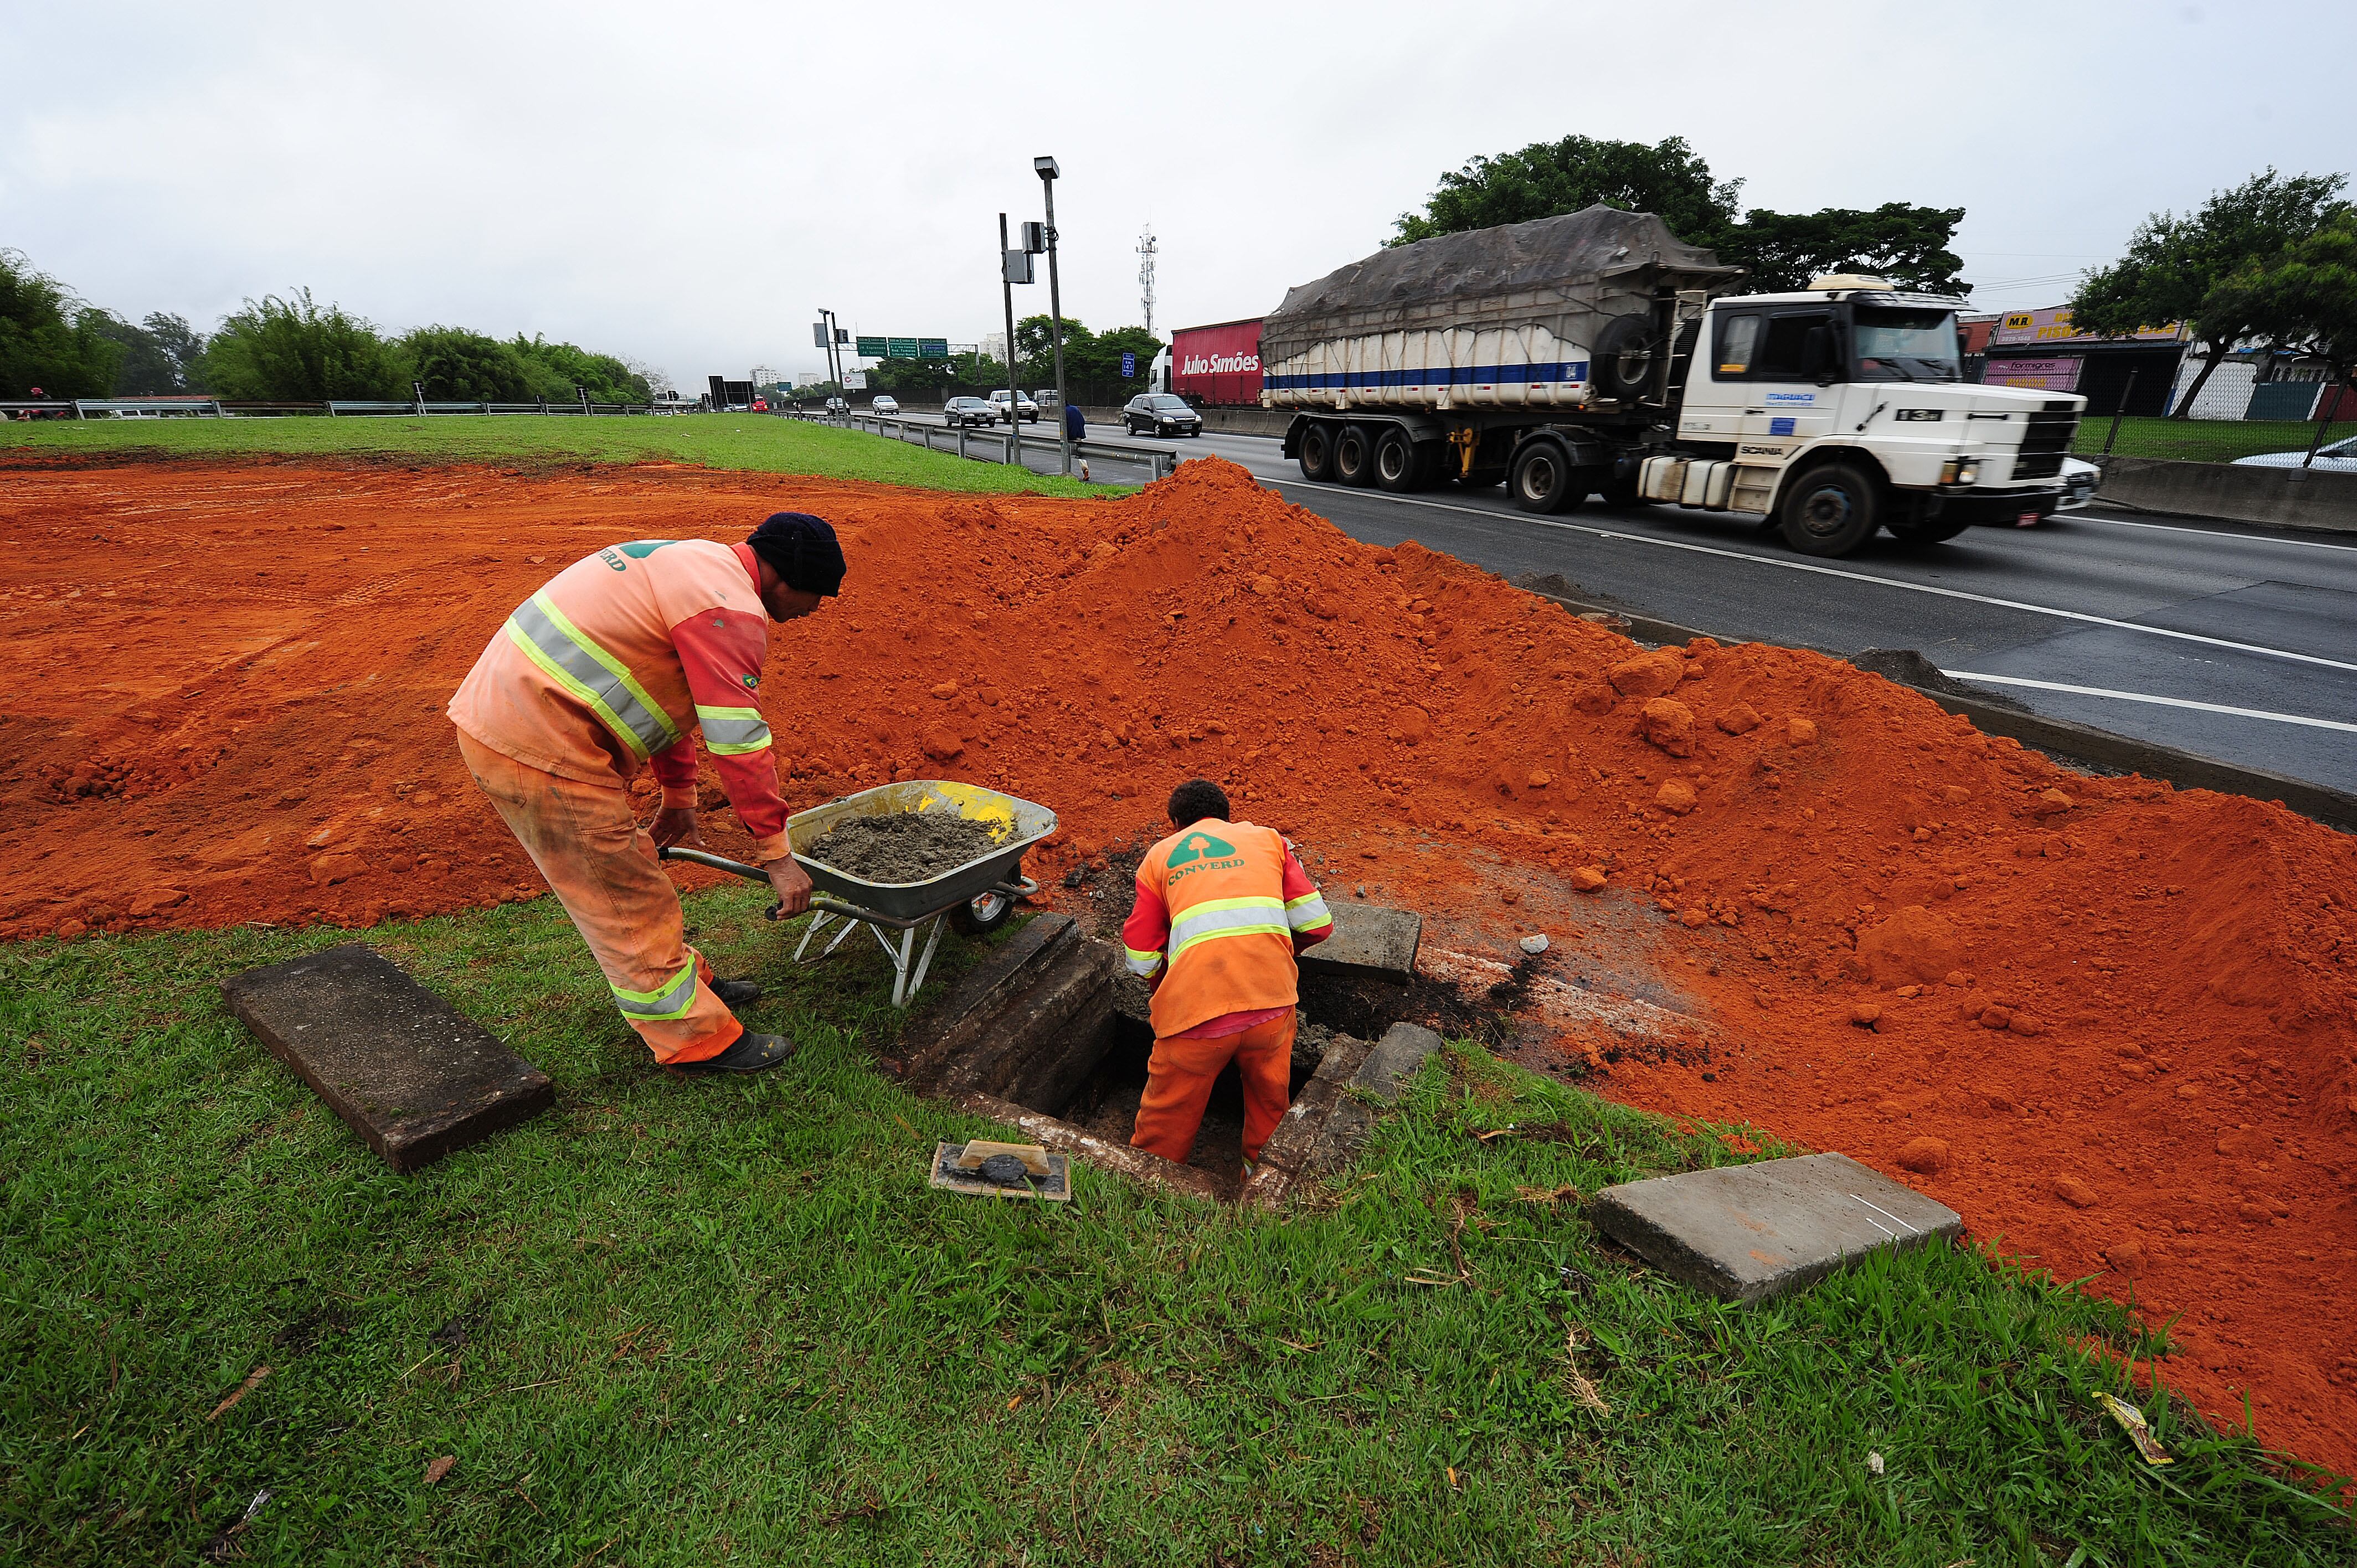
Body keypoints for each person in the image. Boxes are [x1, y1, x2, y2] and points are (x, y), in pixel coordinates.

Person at [447, 512, 845, 1074]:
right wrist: (777, 857)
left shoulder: (694, 565)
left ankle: (692, 985)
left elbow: (664, 694)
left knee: (631, 874)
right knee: (624, 896)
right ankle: (693, 1038)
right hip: (535, 744)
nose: (812, 611)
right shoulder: (729, 609)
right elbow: (738, 743)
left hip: (520, 718)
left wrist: (679, 794)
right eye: (816, 596)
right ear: (788, 579)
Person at [1120, 779, 1334, 1167]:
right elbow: (1317, 924)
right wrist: (1280, 951)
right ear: (1226, 816)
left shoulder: (1160, 857)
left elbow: (1140, 957)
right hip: (1272, 1009)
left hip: (1194, 1021)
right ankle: (1258, 1188)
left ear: (1175, 823)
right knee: (1270, 1111)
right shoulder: (1268, 841)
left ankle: (1150, 1194)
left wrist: (1168, 979)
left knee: (1163, 1126)